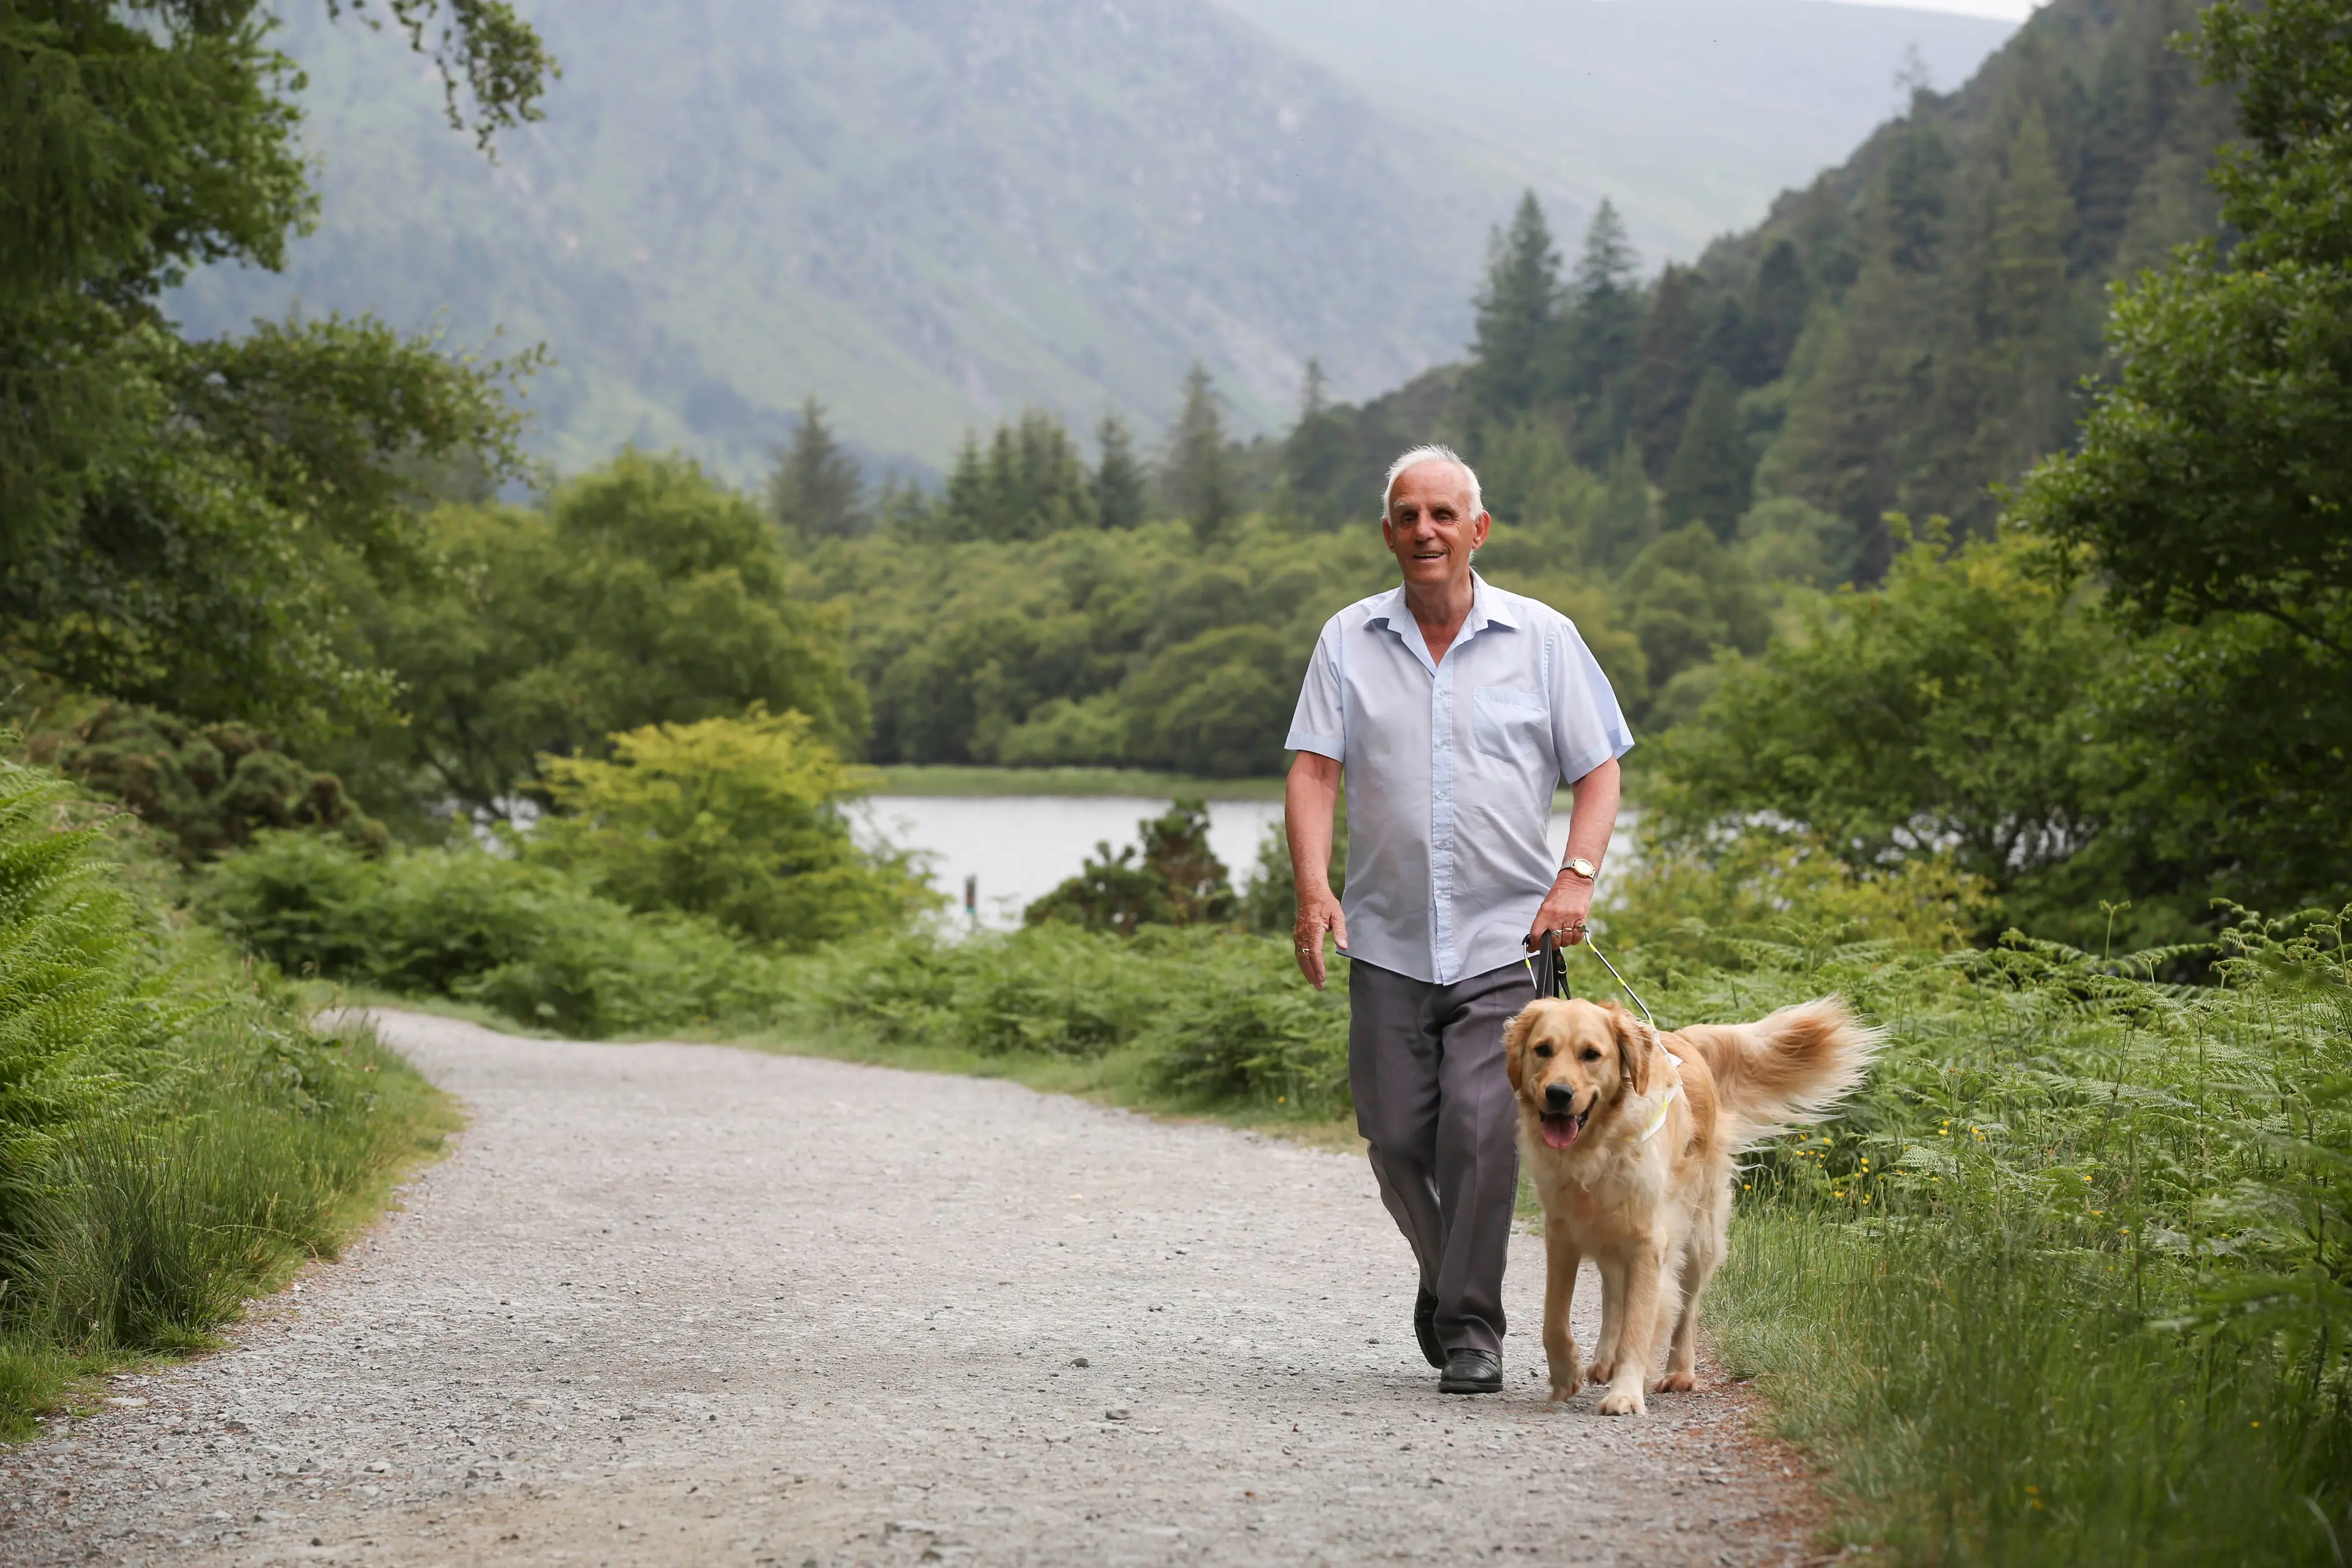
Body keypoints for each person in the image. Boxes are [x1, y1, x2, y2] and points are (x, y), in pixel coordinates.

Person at [1284, 444, 1631, 1395]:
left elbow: (1599, 768)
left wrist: (1578, 876)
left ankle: (1473, 1329)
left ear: (1477, 530)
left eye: (1444, 515)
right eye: (1408, 515)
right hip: (1387, 938)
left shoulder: (1544, 639)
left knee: (1481, 1132)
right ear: (1388, 532)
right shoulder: (1348, 641)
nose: (1426, 531)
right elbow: (1316, 770)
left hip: (1506, 945)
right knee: (1396, 1136)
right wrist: (1315, 889)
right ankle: (1445, 1282)